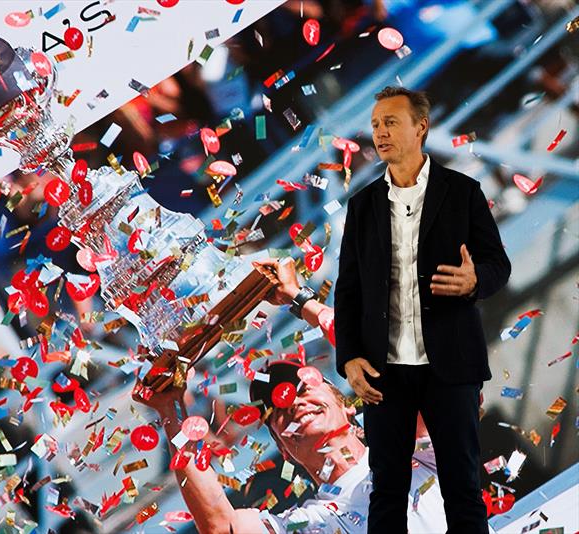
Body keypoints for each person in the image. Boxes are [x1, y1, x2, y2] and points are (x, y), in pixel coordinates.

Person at [133, 258, 451, 534]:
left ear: (348, 408)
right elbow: (222, 527)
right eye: (277, 410)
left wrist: (300, 300)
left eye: (304, 387)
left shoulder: (418, 458)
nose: (292, 401)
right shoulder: (310, 521)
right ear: (285, 450)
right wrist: (170, 407)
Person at [334, 86, 511, 533]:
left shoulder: (462, 192)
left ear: (421, 126)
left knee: (462, 486)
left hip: (449, 364)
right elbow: (348, 289)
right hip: (384, 371)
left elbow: (497, 264)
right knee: (387, 491)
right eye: (375, 125)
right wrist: (349, 357)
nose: (380, 133)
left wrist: (476, 281)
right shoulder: (362, 206)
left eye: (391, 122)